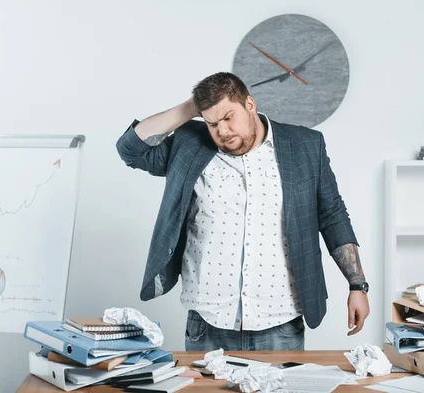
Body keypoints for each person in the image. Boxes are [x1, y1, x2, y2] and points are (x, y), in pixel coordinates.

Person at [116, 72, 370, 351]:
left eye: (228, 117)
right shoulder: (190, 144)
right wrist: (192, 107)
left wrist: (357, 285)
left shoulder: (305, 145)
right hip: (209, 319)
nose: (222, 131)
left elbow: (332, 214)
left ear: (250, 104)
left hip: (280, 320)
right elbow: (131, 150)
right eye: (212, 123)